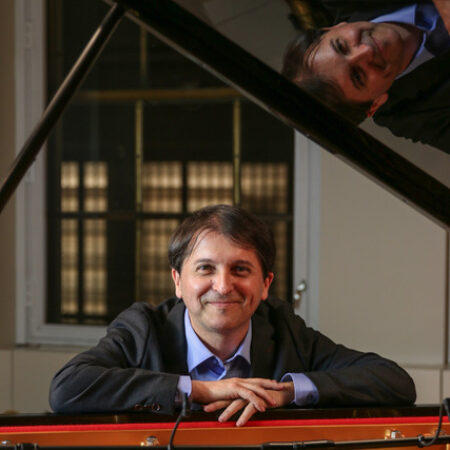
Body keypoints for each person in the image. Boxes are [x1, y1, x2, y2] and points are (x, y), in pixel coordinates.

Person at [49, 204, 416, 426]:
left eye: (240, 270)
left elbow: (394, 382)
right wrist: (200, 390)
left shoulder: (283, 328)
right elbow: (67, 388)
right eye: (205, 269)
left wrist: (287, 393)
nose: (223, 286)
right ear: (178, 281)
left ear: (265, 283)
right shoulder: (144, 328)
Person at [283, 0, 450, 153]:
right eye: (358, 76)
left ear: (332, 29)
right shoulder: (408, 116)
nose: (366, 50)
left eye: (341, 46)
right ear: (374, 105)